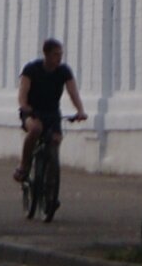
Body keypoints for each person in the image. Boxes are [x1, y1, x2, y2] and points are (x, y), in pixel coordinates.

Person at [14, 38, 87, 184]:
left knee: (55, 140)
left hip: (52, 114)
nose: (59, 58)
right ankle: (24, 165)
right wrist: (24, 106)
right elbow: (23, 92)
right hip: (33, 112)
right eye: (55, 54)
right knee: (35, 130)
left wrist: (80, 110)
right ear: (46, 54)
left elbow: (73, 92)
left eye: (61, 54)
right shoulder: (32, 69)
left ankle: (50, 185)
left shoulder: (63, 71)